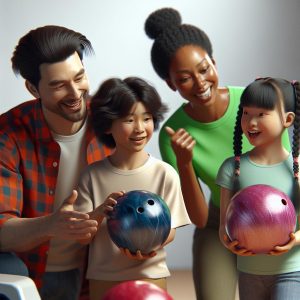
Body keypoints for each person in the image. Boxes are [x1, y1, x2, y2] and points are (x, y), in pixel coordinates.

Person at [144, 8, 290, 300]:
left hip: (277, 213)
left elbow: (288, 173)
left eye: (203, 69)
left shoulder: (255, 101)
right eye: (184, 78)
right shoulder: (174, 132)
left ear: (214, 62)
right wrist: (184, 164)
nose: (200, 83)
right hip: (218, 221)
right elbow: (197, 218)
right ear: (171, 83)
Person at [0, 25, 111, 300]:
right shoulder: (7, 133)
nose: (75, 93)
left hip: (98, 268)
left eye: (79, 77)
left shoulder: (112, 118)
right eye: (59, 85)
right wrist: (51, 225)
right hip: (31, 274)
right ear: (32, 88)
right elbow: (1, 230)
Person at [74, 76, 191, 300]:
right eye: (129, 120)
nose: (139, 128)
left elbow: (171, 228)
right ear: (108, 124)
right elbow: (81, 237)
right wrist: (99, 213)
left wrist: (150, 247)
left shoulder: (164, 173)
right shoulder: (92, 175)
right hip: (104, 277)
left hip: (150, 273)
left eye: (146, 118)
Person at [217, 78, 300, 299]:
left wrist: (296, 239)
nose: (251, 122)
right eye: (246, 113)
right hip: (249, 271)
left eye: (261, 114)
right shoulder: (232, 167)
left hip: (292, 270)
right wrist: (230, 243)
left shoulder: (298, 168)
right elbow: (223, 226)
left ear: (288, 119)